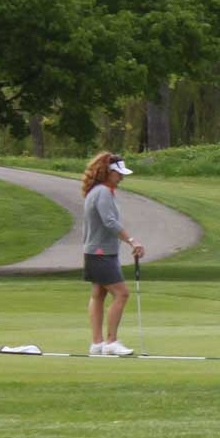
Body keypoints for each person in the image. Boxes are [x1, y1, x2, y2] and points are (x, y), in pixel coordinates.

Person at [81, 151, 144, 356]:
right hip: (101, 253)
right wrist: (132, 240)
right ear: (107, 172)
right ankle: (110, 342)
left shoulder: (97, 191)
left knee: (98, 294)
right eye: (118, 173)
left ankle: (97, 344)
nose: (122, 177)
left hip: (95, 252)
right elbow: (109, 222)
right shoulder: (103, 192)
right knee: (121, 293)